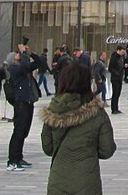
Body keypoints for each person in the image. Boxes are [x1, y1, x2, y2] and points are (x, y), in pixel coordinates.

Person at [41, 61, 116, 195]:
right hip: (87, 180)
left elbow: (48, 148)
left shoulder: (52, 112)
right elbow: (107, 150)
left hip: (58, 180)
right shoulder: (97, 113)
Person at [7, 43, 40, 171]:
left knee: (24, 132)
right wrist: (24, 54)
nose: (19, 54)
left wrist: (30, 53)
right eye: (17, 54)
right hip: (20, 102)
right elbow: (25, 66)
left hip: (28, 101)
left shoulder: (24, 68)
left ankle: (19, 157)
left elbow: (38, 63)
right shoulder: (13, 69)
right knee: (18, 132)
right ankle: (12, 160)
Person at [108, 46, 125, 114]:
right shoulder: (114, 57)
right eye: (122, 51)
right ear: (118, 50)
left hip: (120, 78)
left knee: (118, 93)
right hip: (115, 78)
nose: (123, 52)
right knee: (115, 93)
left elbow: (120, 66)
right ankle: (113, 109)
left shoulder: (121, 58)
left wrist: (124, 67)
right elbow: (110, 68)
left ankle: (116, 108)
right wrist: (116, 73)